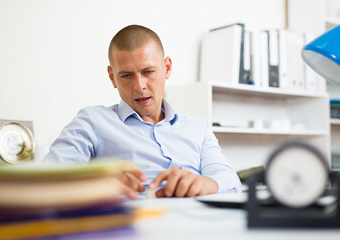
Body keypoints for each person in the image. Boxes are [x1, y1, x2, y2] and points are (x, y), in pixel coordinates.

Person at [43, 25, 241, 199]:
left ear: (167, 68)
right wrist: (98, 184)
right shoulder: (92, 121)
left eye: (148, 72)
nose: (139, 86)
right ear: (112, 77)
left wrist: (205, 184)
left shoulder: (198, 128)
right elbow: (46, 179)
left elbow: (229, 180)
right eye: (127, 75)